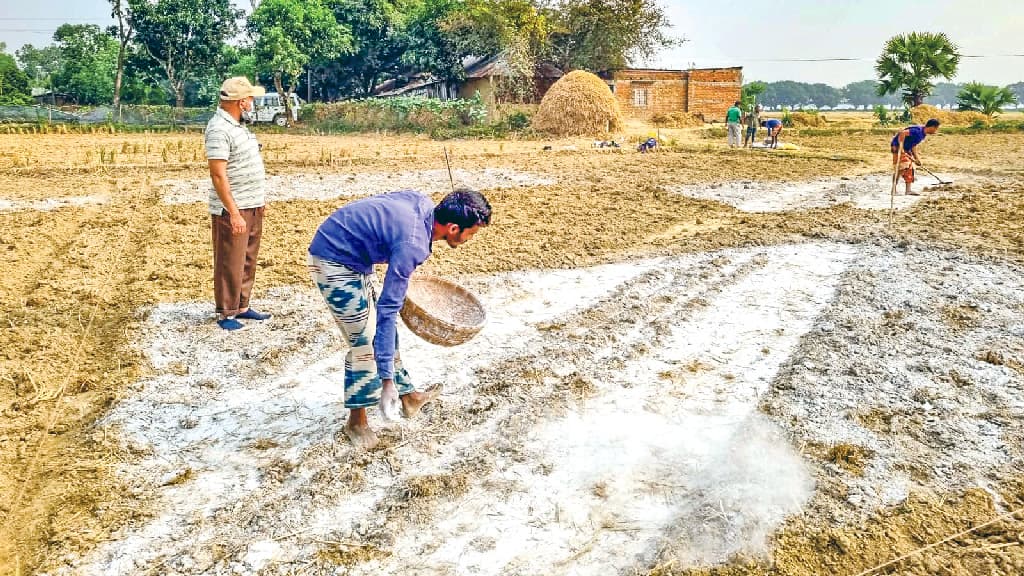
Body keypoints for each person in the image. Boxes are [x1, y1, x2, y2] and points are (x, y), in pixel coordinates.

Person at [308, 188, 492, 450]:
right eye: (471, 233)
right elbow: (388, 310)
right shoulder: (412, 245)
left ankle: (410, 397)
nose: (470, 239)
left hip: (354, 255)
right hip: (332, 260)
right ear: (453, 228)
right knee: (366, 342)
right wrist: (386, 382)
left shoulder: (423, 204)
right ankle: (356, 423)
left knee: (385, 335)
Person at [205, 76, 272, 331]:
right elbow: (218, 174)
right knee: (229, 259)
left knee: (247, 258)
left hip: (252, 202)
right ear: (241, 101)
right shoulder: (219, 129)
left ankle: (242, 305)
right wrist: (233, 212)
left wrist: (258, 201)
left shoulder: (238, 126)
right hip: (234, 206)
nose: (253, 102)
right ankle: (226, 311)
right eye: (250, 98)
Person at [891, 118, 941, 196]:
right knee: (902, 168)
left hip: (907, 149)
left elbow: (913, 145)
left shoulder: (923, 135)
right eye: (936, 128)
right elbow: (902, 133)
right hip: (897, 148)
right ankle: (893, 190)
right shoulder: (917, 131)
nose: (936, 131)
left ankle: (908, 190)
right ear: (932, 127)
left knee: (910, 169)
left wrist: (917, 158)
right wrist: (901, 147)